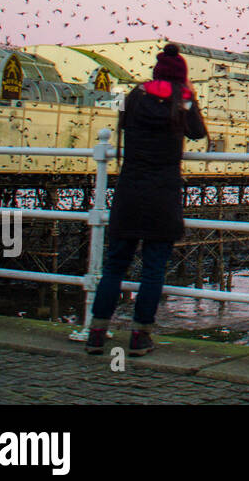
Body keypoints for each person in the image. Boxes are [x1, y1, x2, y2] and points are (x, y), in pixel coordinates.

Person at [86, 43, 207, 356]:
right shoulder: (181, 98)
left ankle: (97, 333)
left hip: (129, 192)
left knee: (114, 266)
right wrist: (189, 96)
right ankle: (140, 337)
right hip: (162, 195)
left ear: (156, 71)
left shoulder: (134, 96)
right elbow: (197, 133)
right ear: (182, 76)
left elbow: (123, 125)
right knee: (153, 270)